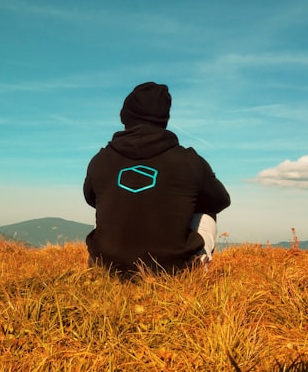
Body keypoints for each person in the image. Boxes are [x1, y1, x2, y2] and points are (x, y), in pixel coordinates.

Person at [83, 82, 231, 277]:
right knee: (206, 212)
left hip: (109, 267)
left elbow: (91, 199)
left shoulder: (100, 160)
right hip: (173, 270)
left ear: (124, 116)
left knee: (107, 204)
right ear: (165, 119)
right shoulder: (190, 161)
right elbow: (220, 200)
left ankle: (102, 263)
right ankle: (194, 265)